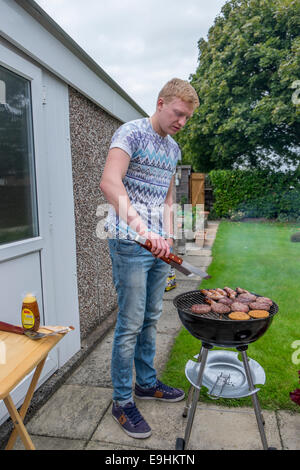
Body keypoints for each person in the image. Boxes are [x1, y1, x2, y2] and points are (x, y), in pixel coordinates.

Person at [100, 78, 199, 439]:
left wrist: (168, 235)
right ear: (160, 103)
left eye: (187, 118)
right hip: (130, 242)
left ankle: (146, 382)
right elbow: (110, 182)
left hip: (159, 246)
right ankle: (122, 401)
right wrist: (145, 231)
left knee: (152, 316)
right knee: (129, 323)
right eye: (178, 114)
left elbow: (169, 197)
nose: (181, 122)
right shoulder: (130, 133)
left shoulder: (173, 149)